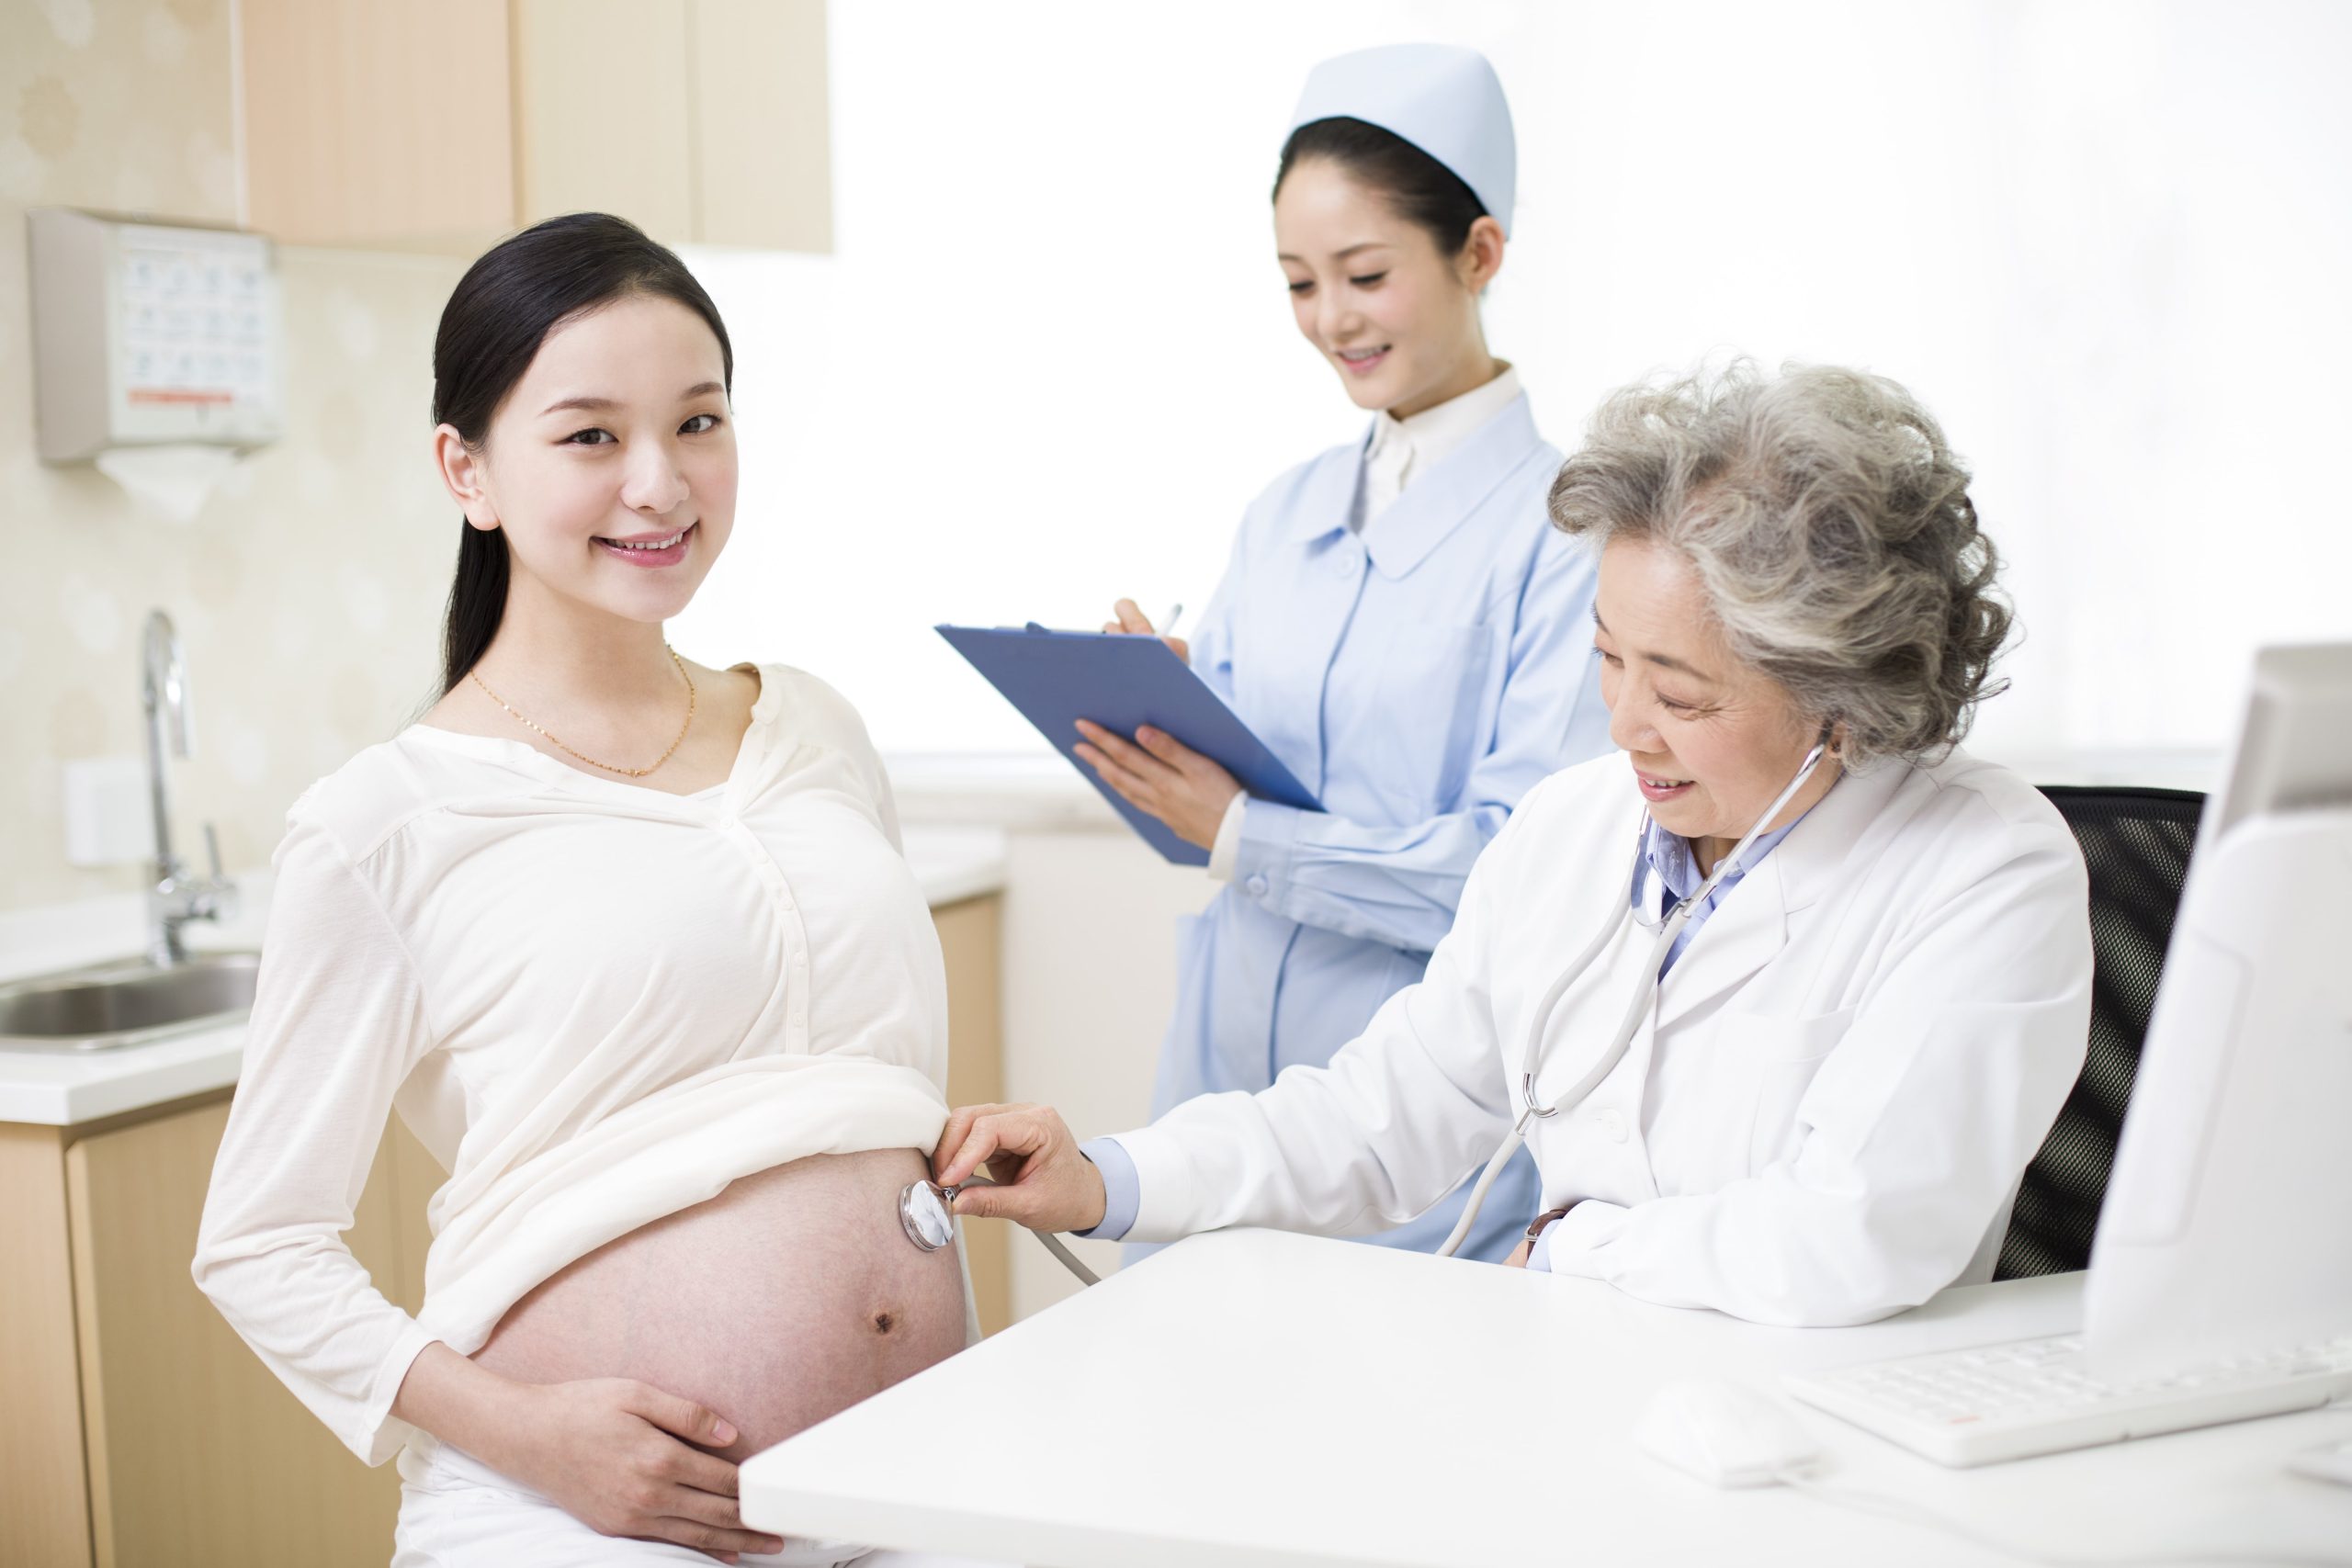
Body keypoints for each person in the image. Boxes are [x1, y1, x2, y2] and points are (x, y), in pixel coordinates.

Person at [939, 361, 2095, 1328]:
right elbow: (1380, 1115)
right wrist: (1102, 1177)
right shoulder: (1573, 828)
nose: (1625, 725)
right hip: (1565, 1403)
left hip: (1806, 1448)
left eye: (1682, 695)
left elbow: (1855, 1236)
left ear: (1840, 692)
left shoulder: (1984, 868)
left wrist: (1568, 1253)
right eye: (1606, 658)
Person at [193, 213, 1001, 1568]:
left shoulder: (812, 727)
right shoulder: (385, 823)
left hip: (906, 1479)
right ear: (467, 469)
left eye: (698, 422)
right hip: (585, 1516)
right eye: (589, 436)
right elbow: (259, 1242)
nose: (661, 482)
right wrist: (524, 1432)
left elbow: (836, 1078)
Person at [1080, 43, 1609, 1264]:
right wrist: (1155, 714)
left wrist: (1242, 834)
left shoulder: (1572, 534)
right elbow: (1223, 799)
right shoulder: (1284, 512)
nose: (1331, 320)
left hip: (1423, 1169)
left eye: (1364, 274)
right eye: (1299, 282)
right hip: (1215, 1111)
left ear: (1478, 254)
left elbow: (1525, 878)